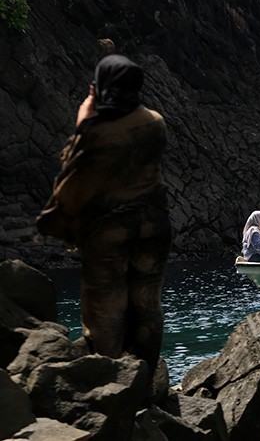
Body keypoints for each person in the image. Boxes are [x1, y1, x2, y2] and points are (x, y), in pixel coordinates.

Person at [36, 55, 172, 383]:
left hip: (109, 231)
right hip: (154, 226)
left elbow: (76, 174)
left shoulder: (97, 130)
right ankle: (144, 379)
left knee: (107, 307)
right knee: (147, 304)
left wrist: (84, 123)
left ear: (98, 88)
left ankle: (113, 386)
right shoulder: (155, 121)